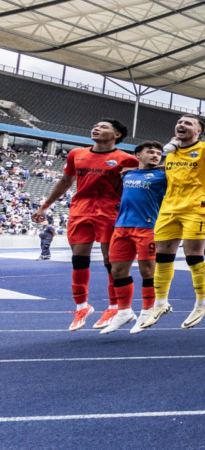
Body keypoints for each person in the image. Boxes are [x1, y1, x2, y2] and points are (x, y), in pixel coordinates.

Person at [34, 119, 137, 330]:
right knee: (79, 259)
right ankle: (82, 306)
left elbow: (144, 181)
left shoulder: (126, 159)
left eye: (104, 127)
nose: (96, 128)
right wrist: (45, 206)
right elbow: (65, 181)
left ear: (116, 135)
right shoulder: (76, 154)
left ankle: (114, 307)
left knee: (112, 262)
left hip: (110, 212)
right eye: (95, 126)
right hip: (80, 210)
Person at [146, 115, 205, 330]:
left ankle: (201, 304)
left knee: (193, 256)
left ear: (198, 131)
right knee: (162, 257)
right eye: (179, 122)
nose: (182, 124)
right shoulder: (171, 152)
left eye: (188, 123)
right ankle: (160, 303)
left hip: (196, 208)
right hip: (168, 208)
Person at [104, 142, 167, 334]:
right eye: (150, 152)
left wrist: (165, 166)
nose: (156, 155)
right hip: (121, 227)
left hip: (147, 227)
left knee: (147, 271)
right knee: (117, 271)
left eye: (158, 153)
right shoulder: (127, 174)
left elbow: (179, 169)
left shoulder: (163, 175)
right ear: (138, 155)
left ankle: (148, 311)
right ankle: (124, 312)